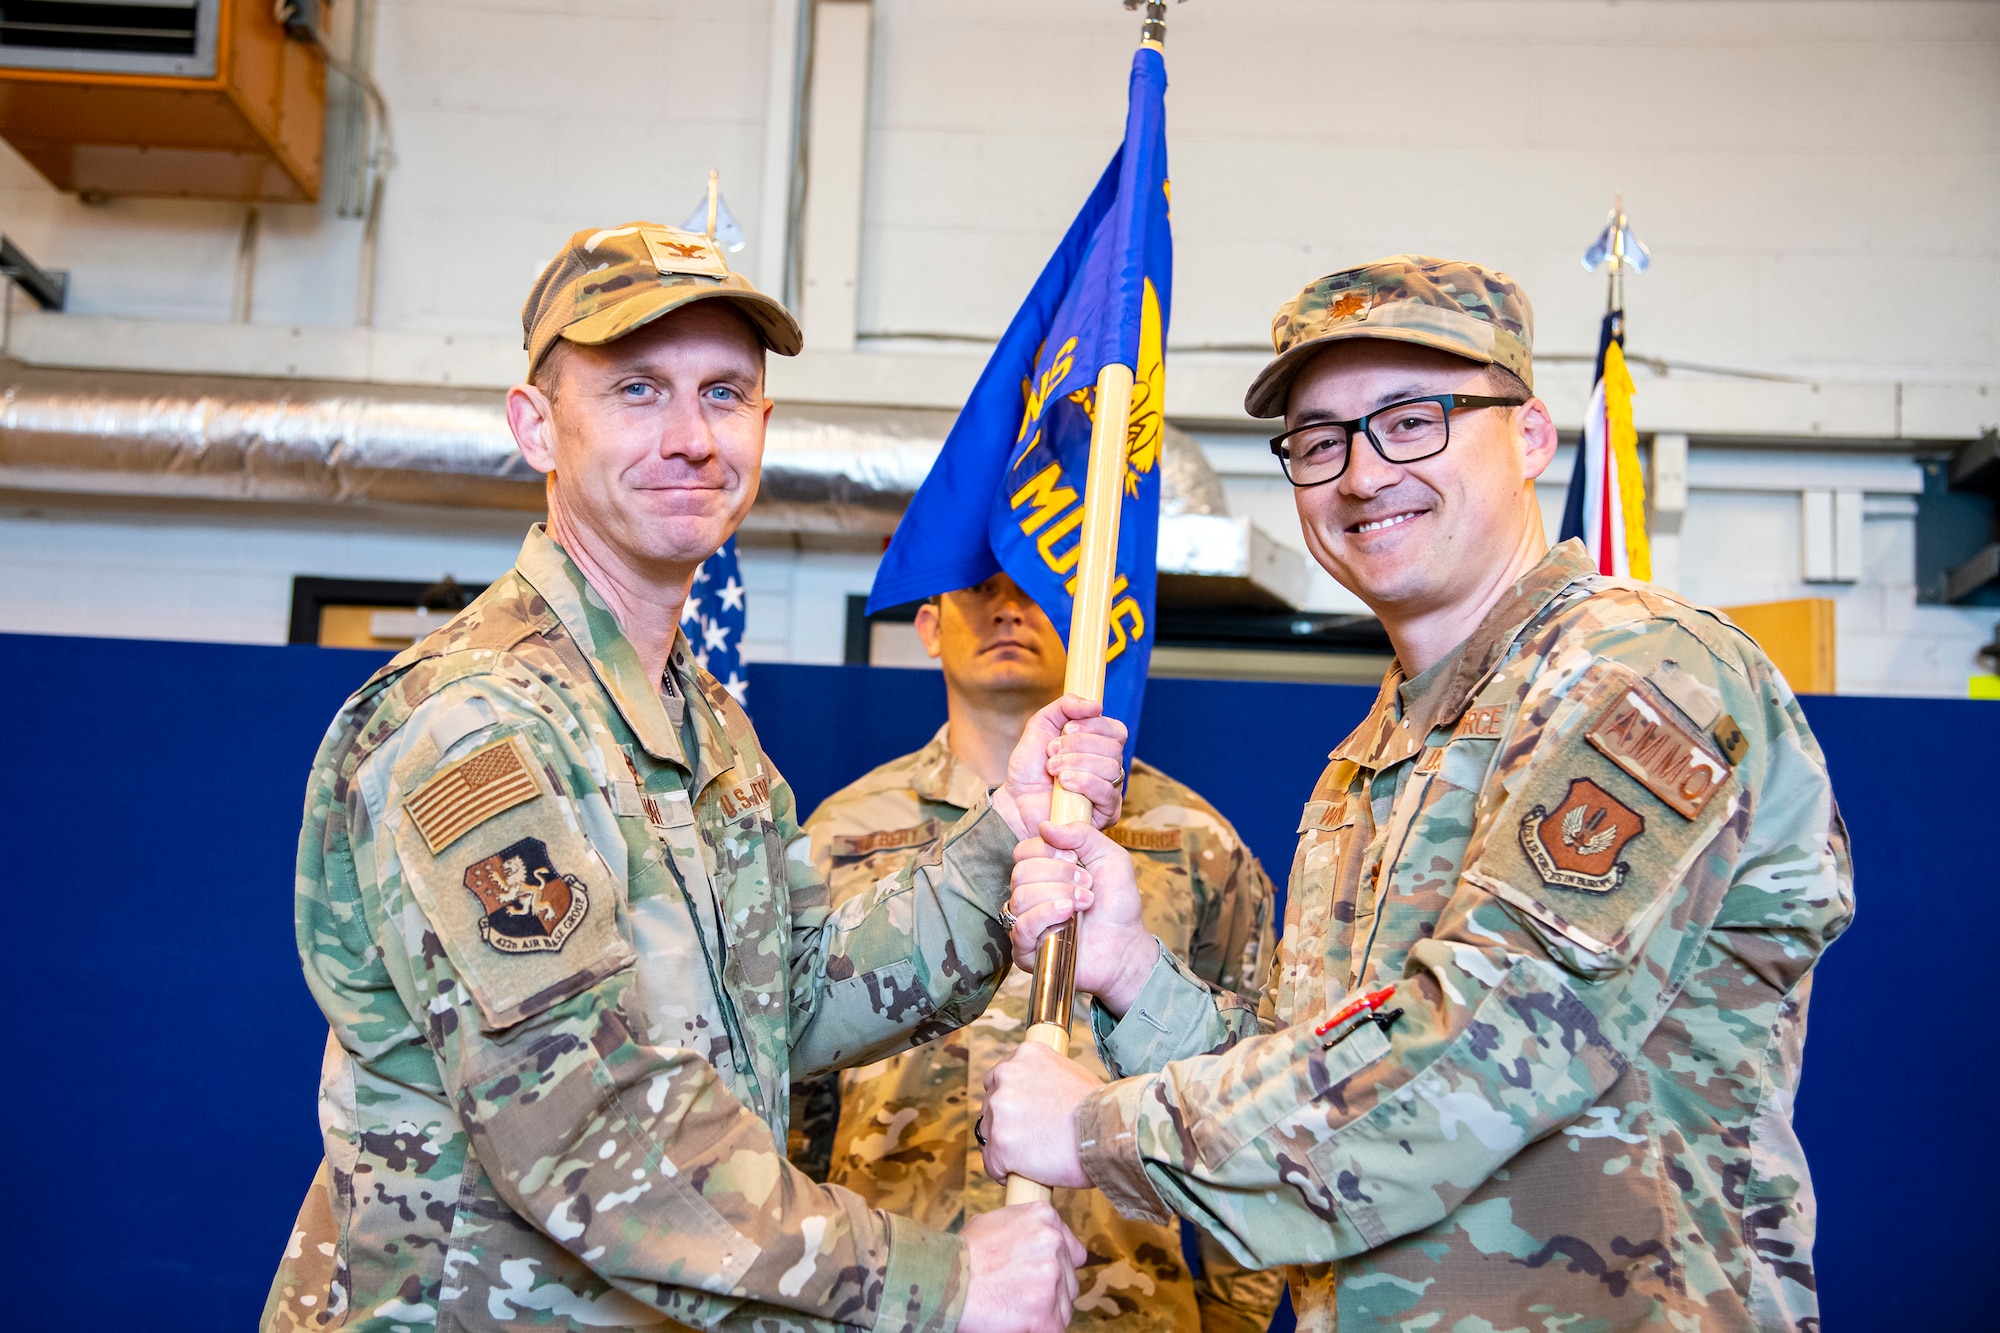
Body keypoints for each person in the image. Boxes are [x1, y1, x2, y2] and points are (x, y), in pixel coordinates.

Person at [261, 221, 1133, 1333]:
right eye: (636, 390)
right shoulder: (477, 725)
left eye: (725, 393)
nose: (689, 437)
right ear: (538, 424)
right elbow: (585, 1126)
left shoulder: (707, 729)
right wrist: (940, 1281)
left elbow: (792, 994)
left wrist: (998, 842)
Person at [983, 256, 1855, 1331]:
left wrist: (1094, 1131)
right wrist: (1132, 975)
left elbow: (1482, 1053)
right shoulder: (1376, 749)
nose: (1359, 475)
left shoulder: (1638, 673)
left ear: (1530, 435)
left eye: (1412, 420)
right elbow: (1327, 1064)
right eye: (1319, 439)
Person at [788, 572, 1284, 1333]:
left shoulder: (1196, 842)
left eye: (1036, 589)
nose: (1009, 609)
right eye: (978, 589)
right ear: (927, 626)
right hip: (898, 1305)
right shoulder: (838, 832)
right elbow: (794, 1108)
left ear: (1092, 627)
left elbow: (1250, 1091)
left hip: (1129, 1310)